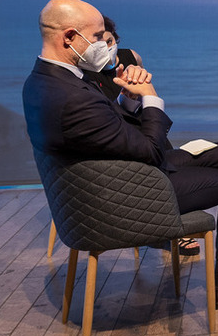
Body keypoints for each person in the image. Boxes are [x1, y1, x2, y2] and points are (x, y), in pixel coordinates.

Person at [23, 0, 218, 308]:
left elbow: (114, 133)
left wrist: (129, 99)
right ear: (68, 37)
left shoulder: (49, 81)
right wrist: (150, 97)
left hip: (118, 174)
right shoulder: (71, 97)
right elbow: (149, 149)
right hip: (129, 193)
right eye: (96, 37)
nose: (104, 46)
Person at [80, 16, 201, 257]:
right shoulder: (84, 74)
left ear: (116, 39)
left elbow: (138, 97)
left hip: (136, 119)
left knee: (154, 135)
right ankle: (160, 229)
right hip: (116, 132)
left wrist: (137, 91)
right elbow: (106, 118)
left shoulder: (131, 57)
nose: (107, 48)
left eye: (110, 41)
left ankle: (166, 218)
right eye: (99, 43)